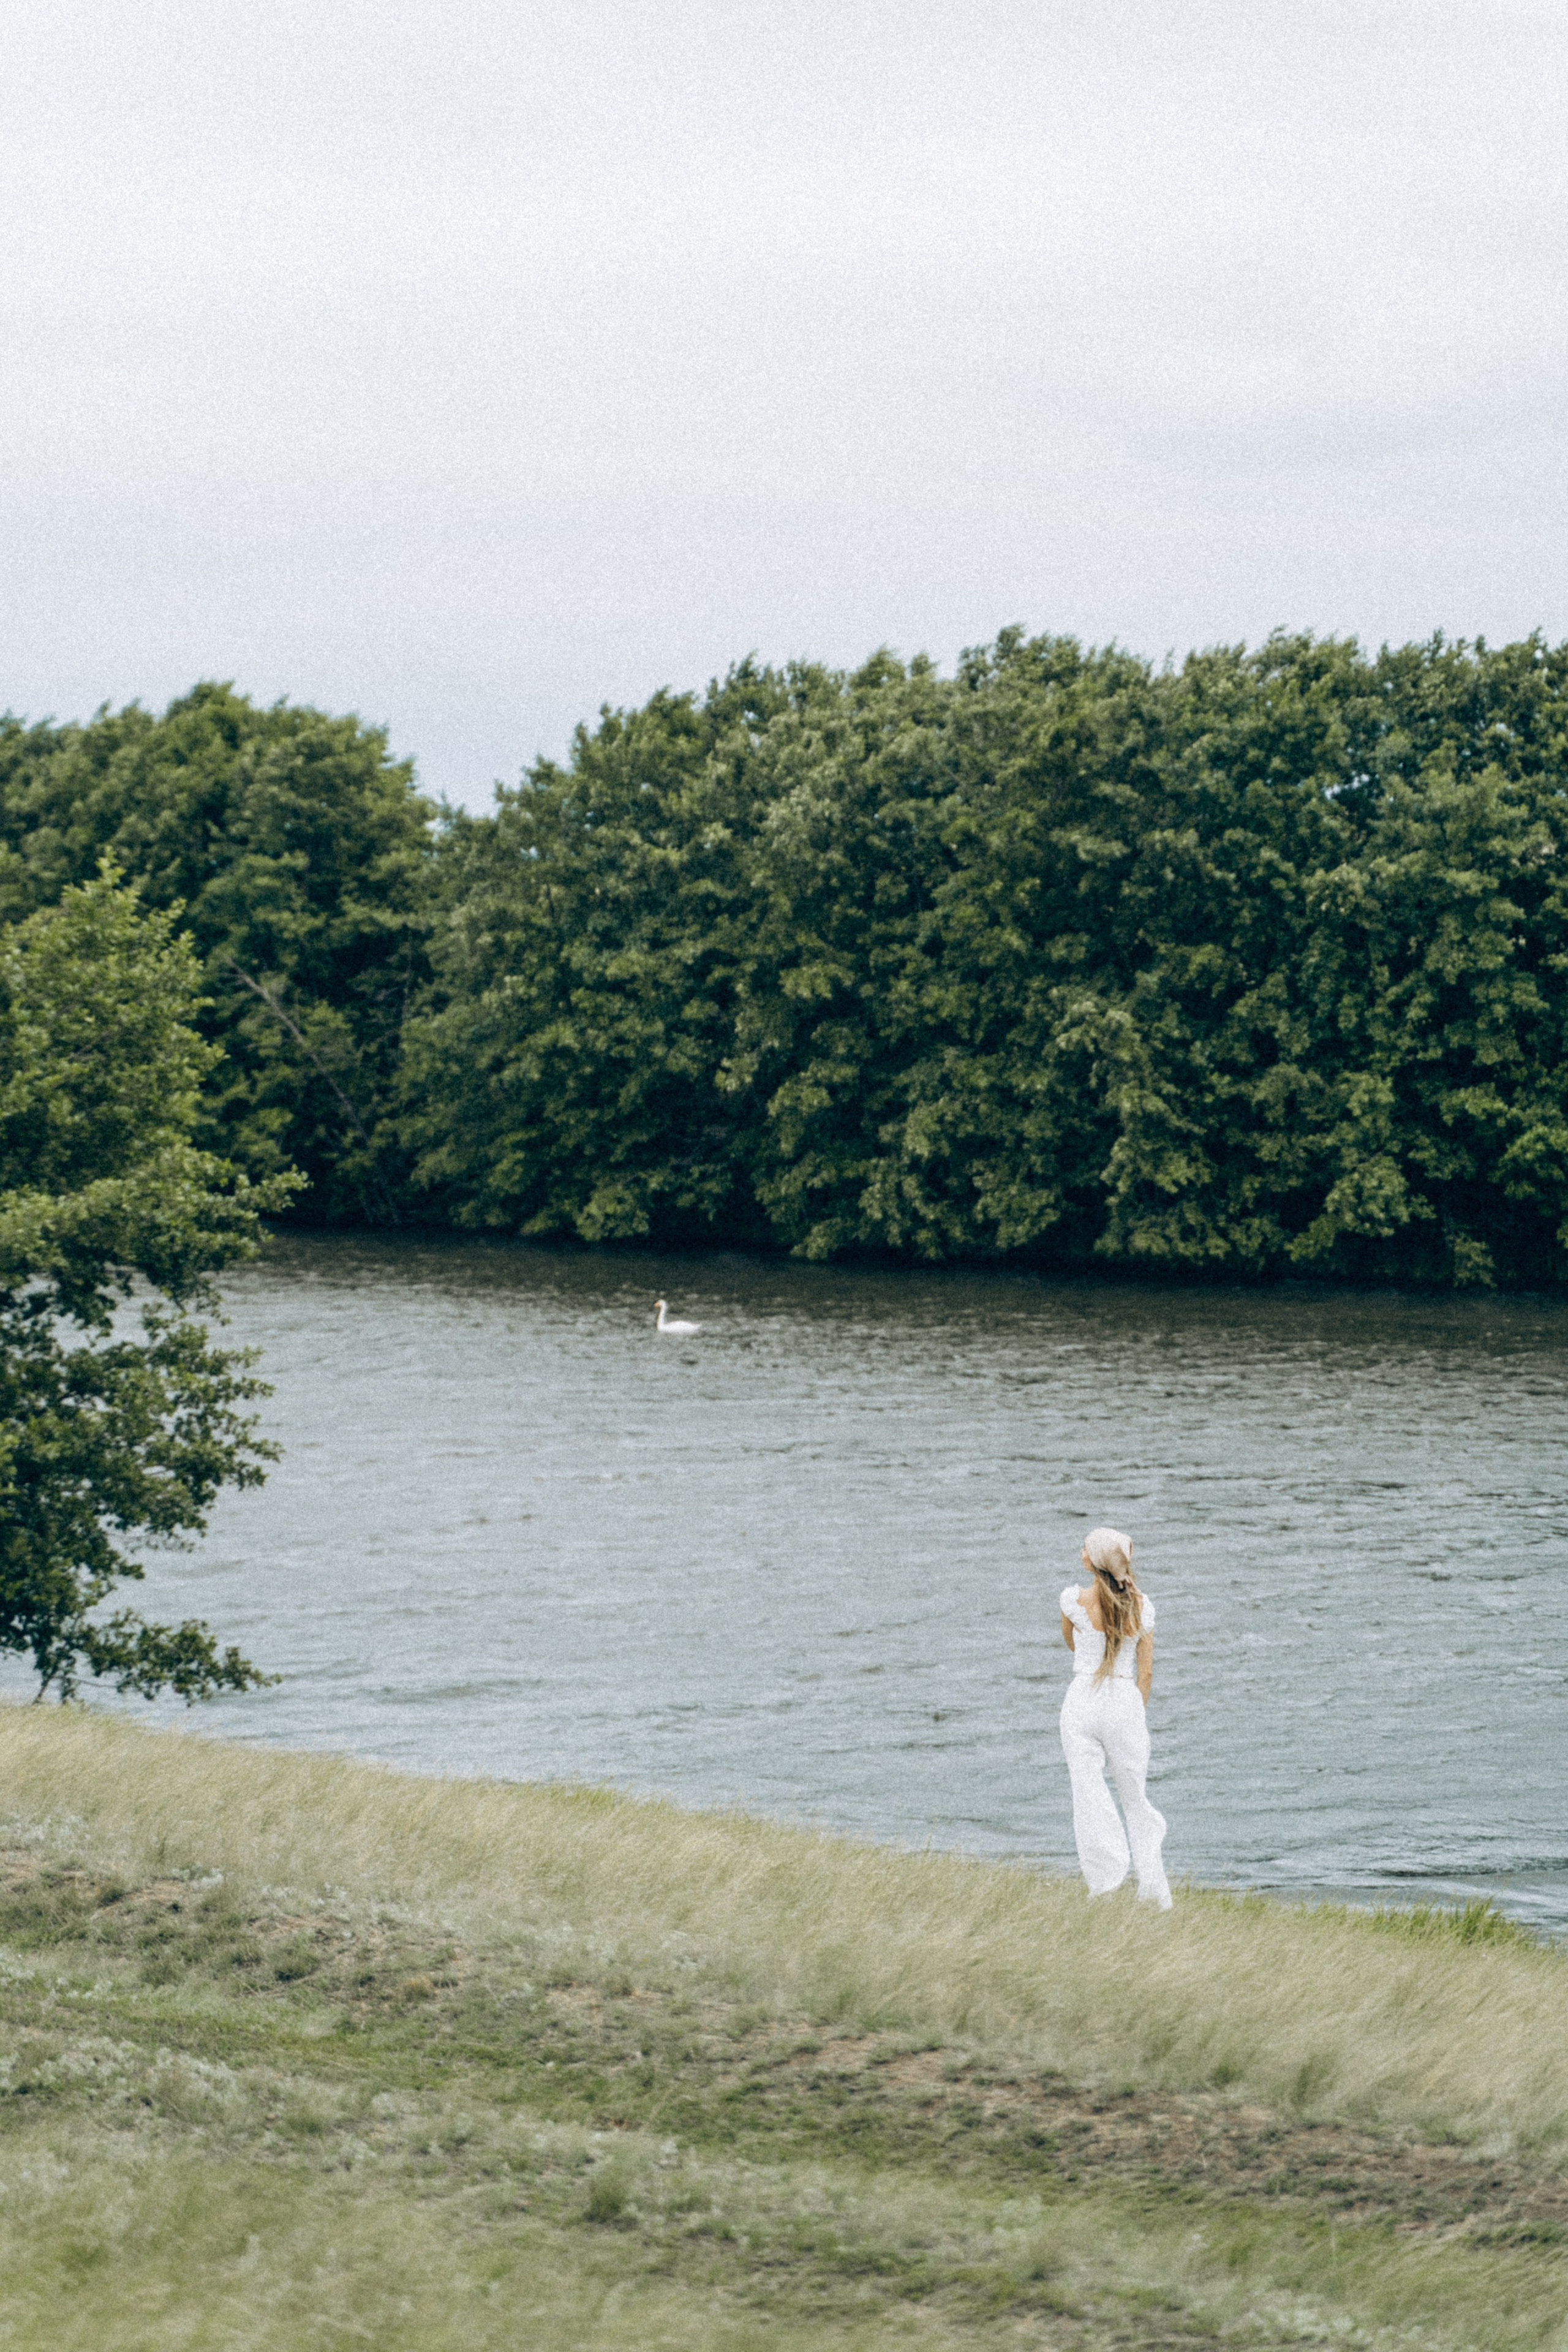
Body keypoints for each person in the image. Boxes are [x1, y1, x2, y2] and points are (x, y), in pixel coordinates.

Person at [1059, 1525, 1172, 1908]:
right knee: (1136, 1800)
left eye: (1085, 1547)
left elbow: (1073, 1645)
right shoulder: (1144, 1607)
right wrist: (1132, 1713)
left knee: (1088, 1794)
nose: (1081, 1551)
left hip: (1082, 1699)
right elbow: (1147, 1673)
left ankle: (1105, 1883)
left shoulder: (1071, 1600)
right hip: (1124, 1700)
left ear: (1095, 1560)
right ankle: (1153, 1892)